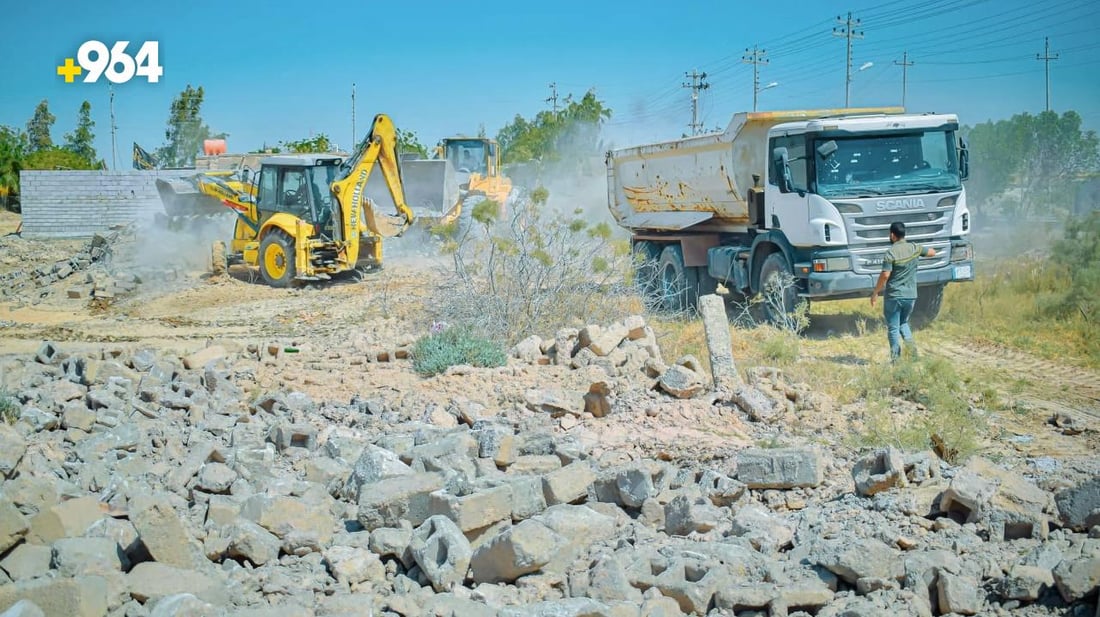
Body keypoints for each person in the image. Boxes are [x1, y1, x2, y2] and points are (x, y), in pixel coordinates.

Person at [870, 221, 936, 361]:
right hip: (911, 295)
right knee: (903, 323)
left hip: (894, 296)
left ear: (892, 235)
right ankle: (913, 355)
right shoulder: (914, 248)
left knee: (893, 328)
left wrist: (875, 292)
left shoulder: (890, 253)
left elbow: (885, 275)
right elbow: (932, 252)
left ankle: (896, 360)